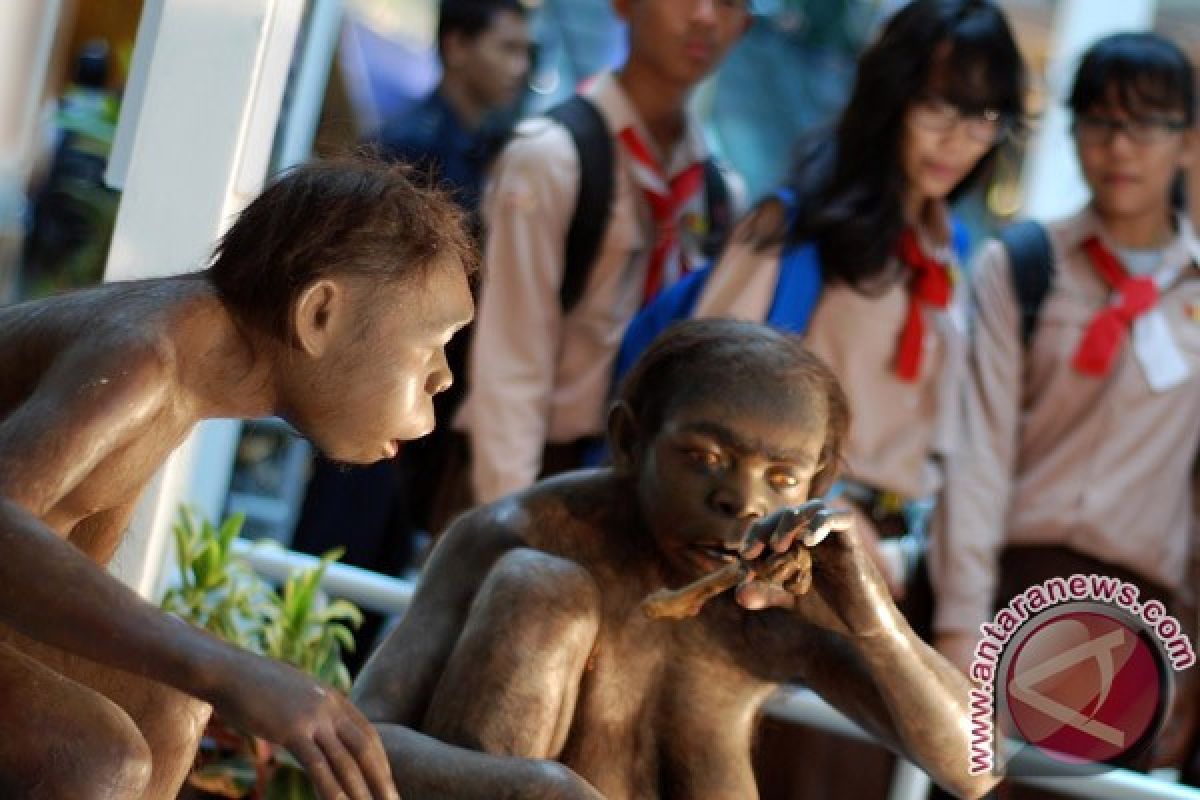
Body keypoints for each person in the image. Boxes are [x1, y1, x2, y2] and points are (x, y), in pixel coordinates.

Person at [354, 318, 1001, 800]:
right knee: (539, 587)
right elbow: (360, 740)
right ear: (631, 441)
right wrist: (530, 789)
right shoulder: (523, 532)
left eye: (781, 478)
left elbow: (977, 768)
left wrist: (874, 620)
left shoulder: (787, 595)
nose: (740, 502)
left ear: (818, 483)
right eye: (705, 460)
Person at [0, 157, 475, 800]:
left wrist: (212, 674)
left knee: (172, 708)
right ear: (319, 315)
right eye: (433, 343)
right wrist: (228, 667)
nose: (444, 378)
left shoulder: (188, 368)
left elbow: (59, 574)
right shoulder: (145, 357)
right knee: (96, 756)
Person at [930, 31, 1199, 781]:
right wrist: (962, 637)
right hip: (1013, 590)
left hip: (1136, 618)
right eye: (1099, 121)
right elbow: (978, 457)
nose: (1120, 147)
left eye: (1146, 124)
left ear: (1186, 143)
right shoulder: (1021, 265)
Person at [292, 0, 531, 668]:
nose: (520, 67)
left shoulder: (483, 149)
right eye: (506, 48)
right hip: (375, 384)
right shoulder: (410, 149)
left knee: (378, 565)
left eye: (523, 51)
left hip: (425, 397)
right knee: (338, 553)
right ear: (457, 46)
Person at [453, 0, 750, 507]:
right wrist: (509, 527)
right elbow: (511, 366)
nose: (705, 16)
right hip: (539, 472)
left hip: (643, 487)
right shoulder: (552, 156)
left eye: (728, 3)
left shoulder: (718, 193)